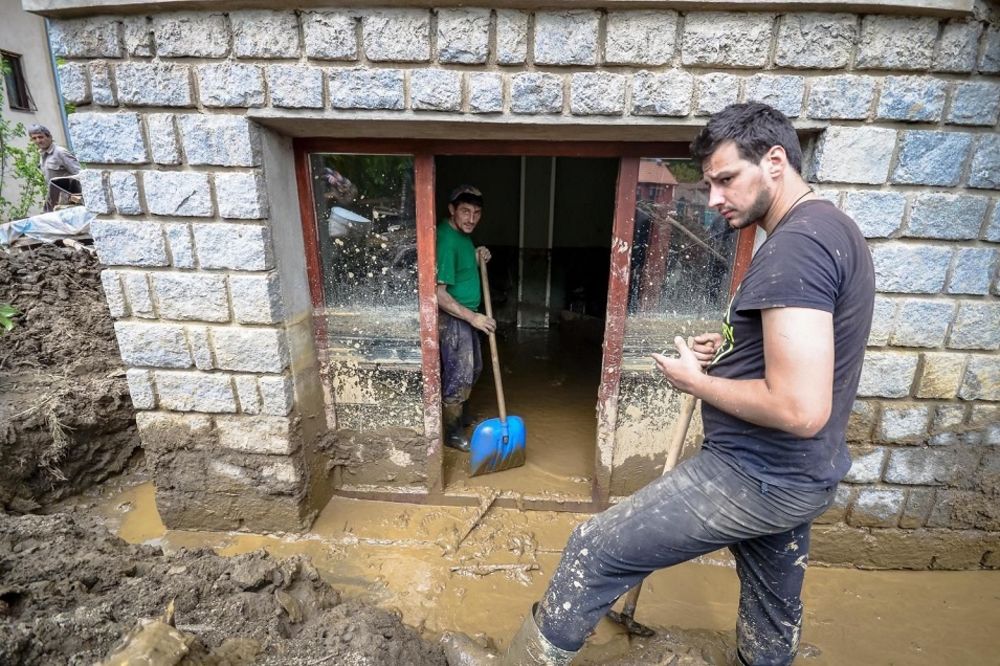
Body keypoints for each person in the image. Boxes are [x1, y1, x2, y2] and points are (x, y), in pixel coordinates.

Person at [442, 102, 875, 665]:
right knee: (772, 605)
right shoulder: (835, 229)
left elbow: (799, 406)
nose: (714, 198)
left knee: (592, 549)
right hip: (803, 475)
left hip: (753, 473)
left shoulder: (796, 248)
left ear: (774, 161)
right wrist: (731, 351)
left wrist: (697, 382)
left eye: (724, 180)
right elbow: (810, 357)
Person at [437, 184, 495, 452]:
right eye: (465, 211)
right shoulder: (447, 239)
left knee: (474, 369)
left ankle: (462, 414)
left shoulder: (462, 235)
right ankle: (452, 432)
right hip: (455, 318)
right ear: (452, 210)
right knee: (459, 375)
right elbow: (439, 294)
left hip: (467, 316)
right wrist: (473, 318)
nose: (471, 218)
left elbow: (459, 268)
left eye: (477, 212)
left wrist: (476, 255)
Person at [28, 124, 81, 212]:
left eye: (41, 137)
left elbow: (80, 174)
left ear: (49, 137)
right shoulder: (42, 154)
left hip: (68, 202)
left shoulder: (60, 153)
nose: (38, 141)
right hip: (54, 199)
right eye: (34, 138)